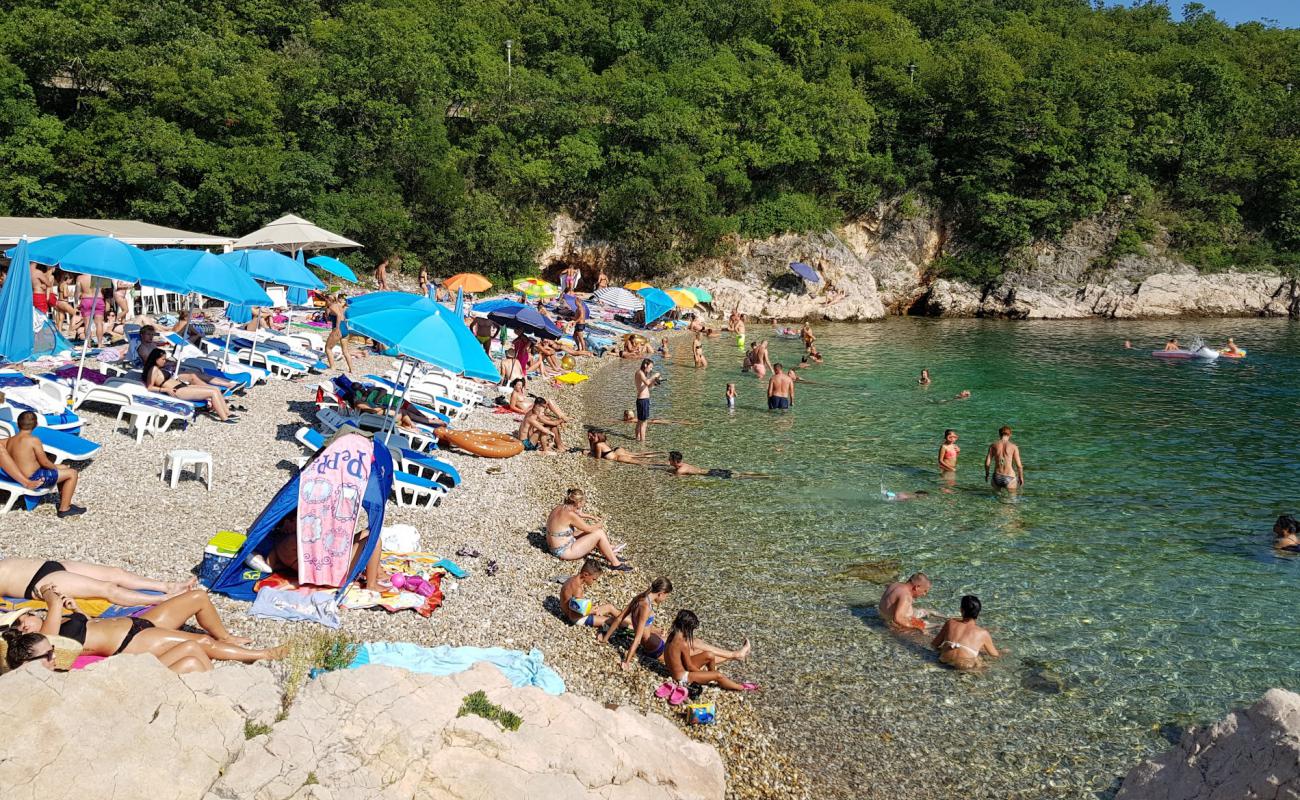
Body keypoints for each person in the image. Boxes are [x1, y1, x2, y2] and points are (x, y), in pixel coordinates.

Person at [3, 585, 284, 673]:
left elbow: (88, 625)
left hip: (140, 622)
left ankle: (226, 636)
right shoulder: (48, 636)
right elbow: (52, 633)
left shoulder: (60, 620)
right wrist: (52, 599)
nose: (24, 621)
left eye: (21, 619)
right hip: (131, 641)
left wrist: (75, 609)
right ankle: (260, 655)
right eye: (20, 626)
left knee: (197, 596)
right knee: (201, 642)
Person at [264, 512, 388, 589]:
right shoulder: (295, 538)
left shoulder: (280, 542)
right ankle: (371, 585)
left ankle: (378, 573)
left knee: (365, 533)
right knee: (374, 540)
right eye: (299, 519)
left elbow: (269, 564)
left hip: (328, 571)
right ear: (287, 523)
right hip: (332, 575)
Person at [0, 558, 195, 607]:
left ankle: (167, 586)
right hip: (39, 582)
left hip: (45, 565)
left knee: (115, 573)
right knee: (107, 589)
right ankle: (163, 599)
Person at [2, 411, 85, 517]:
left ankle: (64, 500)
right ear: (36, 425)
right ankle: (65, 509)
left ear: (18, 424)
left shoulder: (11, 440)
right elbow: (44, 462)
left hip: (21, 474)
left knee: (63, 467)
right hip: (35, 477)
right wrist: (54, 467)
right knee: (72, 473)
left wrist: (59, 468)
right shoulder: (34, 440)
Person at [662, 610, 757, 691]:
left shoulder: (672, 635)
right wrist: (707, 673)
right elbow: (689, 666)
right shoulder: (683, 643)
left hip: (676, 670)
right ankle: (741, 687)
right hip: (681, 677)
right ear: (687, 627)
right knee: (719, 675)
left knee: (709, 655)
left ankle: (712, 677)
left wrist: (708, 674)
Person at [545, 489, 632, 570]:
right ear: (578, 503)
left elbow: (579, 515)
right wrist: (599, 524)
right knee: (599, 533)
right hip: (563, 551)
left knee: (590, 533)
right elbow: (589, 529)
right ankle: (616, 563)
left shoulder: (560, 508)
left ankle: (609, 550)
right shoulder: (570, 515)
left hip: (554, 546)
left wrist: (592, 517)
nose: (584, 503)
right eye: (583, 501)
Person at [143, 348, 236, 422]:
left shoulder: (159, 368)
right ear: (156, 359)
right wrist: (166, 390)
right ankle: (224, 418)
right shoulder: (153, 369)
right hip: (178, 391)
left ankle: (228, 413)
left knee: (215, 389)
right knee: (212, 393)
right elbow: (149, 387)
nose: (165, 361)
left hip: (182, 386)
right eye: (163, 359)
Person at [600, 578, 673, 670]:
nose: (665, 599)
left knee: (674, 641)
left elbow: (619, 618)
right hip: (655, 648)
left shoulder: (639, 598)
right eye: (666, 596)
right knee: (682, 653)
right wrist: (626, 662)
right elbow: (638, 638)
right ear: (661, 593)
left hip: (653, 641)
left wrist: (605, 638)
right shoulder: (646, 607)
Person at [931, 595, 1001, 670]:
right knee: (982, 661)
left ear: (961, 610)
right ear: (978, 612)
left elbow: (934, 644)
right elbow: (994, 655)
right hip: (964, 665)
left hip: (944, 659)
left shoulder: (950, 623)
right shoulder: (983, 633)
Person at [559, 561, 620, 628]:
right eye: (593, 579)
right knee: (613, 620)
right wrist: (591, 611)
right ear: (585, 574)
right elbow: (573, 615)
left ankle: (628, 619)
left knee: (609, 607)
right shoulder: (577, 589)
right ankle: (630, 624)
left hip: (573, 612)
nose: (594, 581)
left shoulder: (572, 580)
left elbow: (573, 606)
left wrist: (591, 609)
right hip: (579, 619)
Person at [587, 430, 665, 465]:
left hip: (618, 457)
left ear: (595, 436)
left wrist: (588, 454)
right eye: (588, 436)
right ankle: (661, 453)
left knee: (643, 462)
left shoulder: (598, 445)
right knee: (640, 454)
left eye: (590, 436)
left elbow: (598, 458)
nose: (589, 437)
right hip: (617, 451)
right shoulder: (602, 441)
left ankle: (663, 463)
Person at [985, 425, 1025, 492]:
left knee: (995, 499)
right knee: (1011, 500)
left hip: (996, 477)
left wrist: (987, 474)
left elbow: (987, 463)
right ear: (1010, 434)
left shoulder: (993, 445)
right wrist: (1021, 477)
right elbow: (1019, 466)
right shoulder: (1014, 447)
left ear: (999, 434)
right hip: (1010, 477)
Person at [324, 293, 355, 373]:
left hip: (338, 328)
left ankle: (332, 367)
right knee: (345, 351)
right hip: (345, 327)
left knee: (328, 348)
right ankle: (352, 369)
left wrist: (337, 328)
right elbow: (342, 314)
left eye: (325, 300)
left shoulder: (331, 307)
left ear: (328, 300)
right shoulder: (338, 305)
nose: (325, 301)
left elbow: (337, 315)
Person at [75, 272, 107, 347]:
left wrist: (76, 302)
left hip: (86, 299)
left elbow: (77, 292)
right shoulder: (100, 275)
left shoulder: (80, 277)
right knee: (99, 323)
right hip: (98, 299)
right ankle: (100, 344)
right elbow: (104, 290)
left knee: (87, 324)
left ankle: (88, 344)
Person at [634, 358, 661, 443]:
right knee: (644, 422)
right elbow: (647, 383)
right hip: (642, 400)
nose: (651, 369)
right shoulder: (640, 372)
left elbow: (648, 386)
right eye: (651, 367)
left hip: (643, 400)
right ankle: (643, 442)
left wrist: (655, 383)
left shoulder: (643, 374)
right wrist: (654, 376)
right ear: (645, 365)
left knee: (640, 421)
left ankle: (637, 439)